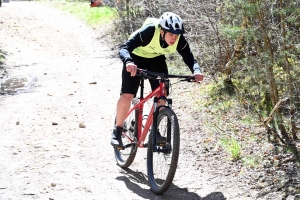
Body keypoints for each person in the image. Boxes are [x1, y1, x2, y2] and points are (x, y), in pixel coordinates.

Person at [111, 12, 204, 148]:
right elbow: (124, 48)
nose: (174, 38)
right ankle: (117, 131)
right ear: (162, 31)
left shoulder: (179, 39)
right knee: (128, 95)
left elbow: (189, 57)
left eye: (176, 35)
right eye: (171, 34)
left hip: (156, 59)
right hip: (135, 58)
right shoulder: (149, 32)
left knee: (162, 93)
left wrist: (196, 71)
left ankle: (155, 131)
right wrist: (129, 62)